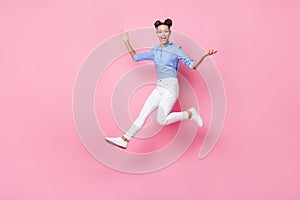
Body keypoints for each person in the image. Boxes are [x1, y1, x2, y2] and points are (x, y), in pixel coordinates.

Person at [105, 18, 217, 149]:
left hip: (171, 87)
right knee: (143, 113)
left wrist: (203, 56)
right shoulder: (155, 51)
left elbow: (192, 65)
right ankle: (125, 139)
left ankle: (190, 114)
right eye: (160, 32)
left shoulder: (176, 49)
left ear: (170, 32)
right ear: (156, 33)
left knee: (161, 120)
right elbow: (136, 57)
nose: (163, 34)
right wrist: (126, 41)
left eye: (165, 31)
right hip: (159, 87)